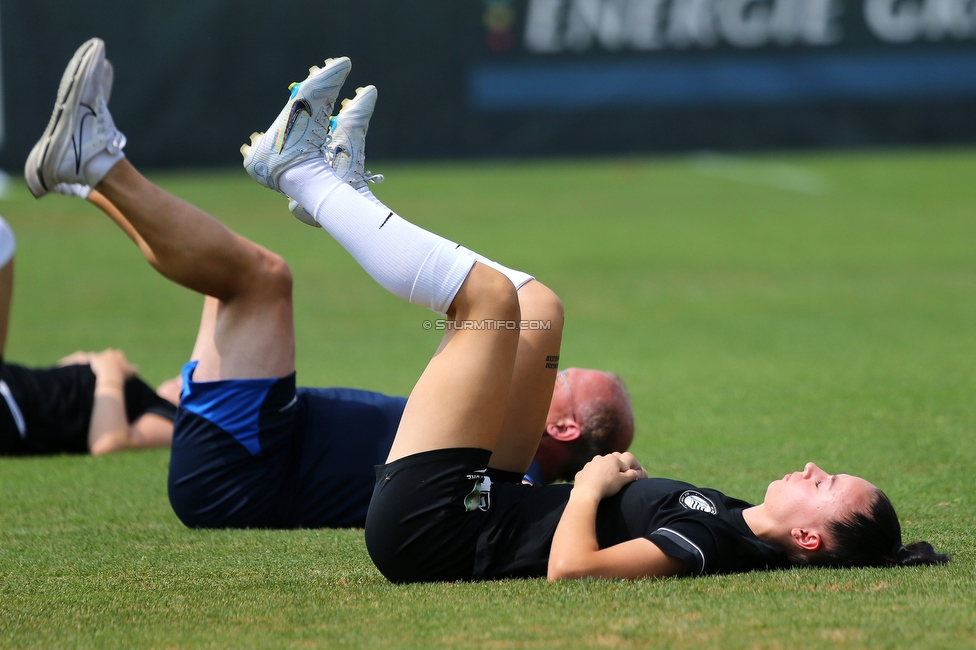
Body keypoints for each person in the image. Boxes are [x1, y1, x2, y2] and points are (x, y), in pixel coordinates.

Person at [223, 56, 942, 580]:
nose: (815, 468)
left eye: (827, 485)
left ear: (811, 540)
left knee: (489, 303)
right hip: (496, 498)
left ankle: (302, 174)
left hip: (435, 529)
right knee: (540, 309)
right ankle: (348, 197)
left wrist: (593, 488)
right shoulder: (731, 518)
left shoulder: (718, 545)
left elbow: (572, 571)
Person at [25, 39, 633, 530]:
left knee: (257, 280)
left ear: (562, 428)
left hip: (245, 467)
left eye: (561, 377)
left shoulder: (511, 471)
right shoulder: (491, 423)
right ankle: (91, 174)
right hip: (266, 436)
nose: (549, 365)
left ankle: (106, 165)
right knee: (228, 275)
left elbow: (482, 309)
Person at [0, 215, 177, 456]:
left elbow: (109, 443)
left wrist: (109, 372)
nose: (186, 376)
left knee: (3, 237)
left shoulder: (172, 416)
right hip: (14, 387)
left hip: (14, 409)